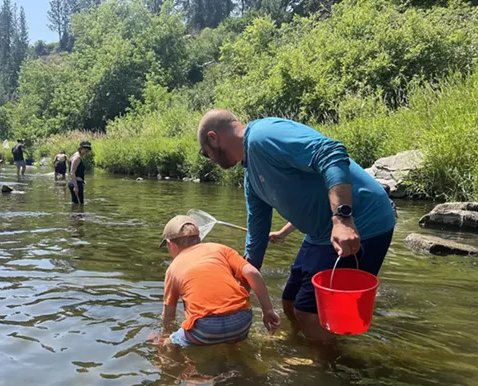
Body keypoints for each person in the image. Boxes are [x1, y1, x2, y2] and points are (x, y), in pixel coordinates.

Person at [197, 110, 396, 343]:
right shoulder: (251, 177)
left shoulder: (263, 135)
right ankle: (302, 347)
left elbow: (331, 153)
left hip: (363, 222)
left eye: (205, 153)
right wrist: (239, 288)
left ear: (213, 138)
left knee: (309, 313)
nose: (209, 158)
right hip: (319, 234)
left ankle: (329, 369)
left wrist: (342, 219)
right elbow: (257, 236)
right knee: (290, 302)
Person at [161, 215, 280, 347]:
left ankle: (167, 365)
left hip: (205, 329)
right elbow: (252, 273)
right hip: (241, 321)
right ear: (199, 238)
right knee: (231, 343)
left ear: (171, 245)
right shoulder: (220, 248)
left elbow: (168, 315)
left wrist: (165, 334)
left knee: (167, 343)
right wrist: (268, 310)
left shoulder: (173, 268)